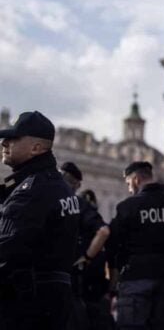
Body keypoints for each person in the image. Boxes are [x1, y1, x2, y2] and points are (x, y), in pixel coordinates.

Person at [0, 110, 80, 329]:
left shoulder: (31, 191)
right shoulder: (60, 186)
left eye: (13, 139)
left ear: (36, 148)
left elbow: (6, 251)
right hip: (55, 302)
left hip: (26, 307)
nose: (4, 143)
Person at [107, 161, 164, 330]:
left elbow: (112, 244)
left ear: (135, 179)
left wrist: (114, 279)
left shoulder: (127, 207)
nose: (129, 189)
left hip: (135, 281)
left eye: (128, 184)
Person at [60, 162, 112, 330]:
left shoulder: (44, 201)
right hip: (75, 281)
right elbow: (103, 231)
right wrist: (87, 258)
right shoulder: (79, 205)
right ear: (77, 185)